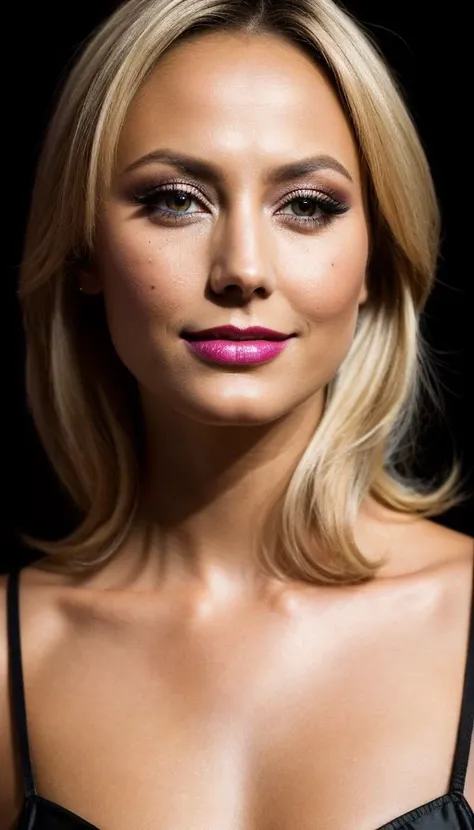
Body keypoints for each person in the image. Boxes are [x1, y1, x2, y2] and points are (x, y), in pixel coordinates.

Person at [1, 0, 473, 827]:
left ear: (373, 257)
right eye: (177, 199)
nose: (243, 271)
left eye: (307, 206)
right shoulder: (10, 665)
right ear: (83, 250)